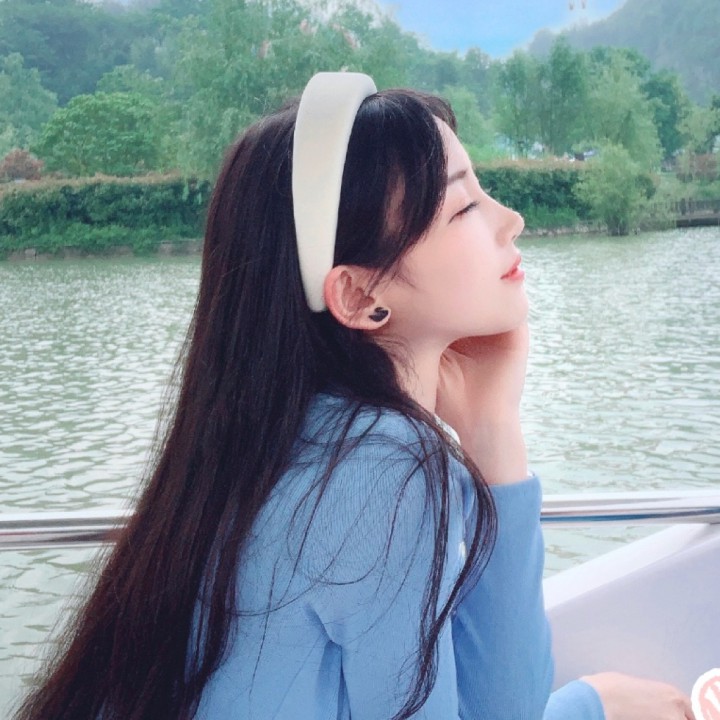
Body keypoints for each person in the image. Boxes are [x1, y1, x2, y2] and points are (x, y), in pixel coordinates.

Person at [15, 72, 694, 720]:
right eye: (463, 207)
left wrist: (488, 423)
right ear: (359, 294)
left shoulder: (266, 447)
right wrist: (589, 705)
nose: (509, 220)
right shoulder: (384, 466)